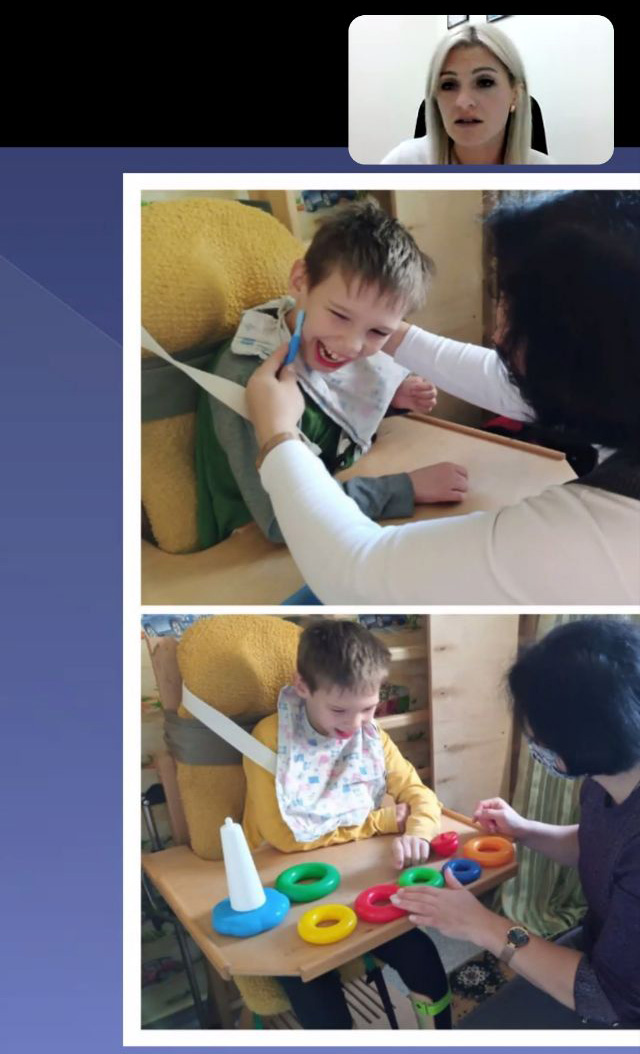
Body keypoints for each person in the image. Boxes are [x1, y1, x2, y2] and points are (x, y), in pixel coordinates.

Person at [245, 190, 640, 603]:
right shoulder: (618, 379)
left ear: (584, 347)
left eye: (513, 310)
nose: (497, 334)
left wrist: (278, 435)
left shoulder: (597, 537)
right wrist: (370, 319)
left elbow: (353, 573)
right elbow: (509, 382)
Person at [391, 618, 640, 1029]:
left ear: (583, 741)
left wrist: (481, 925)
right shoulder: (608, 778)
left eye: (536, 738)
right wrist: (524, 829)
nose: (533, 744)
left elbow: (607, 998)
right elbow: (599, 844)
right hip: (603, 948)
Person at [195, 201, 468, 548]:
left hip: (334, 489)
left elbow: (327, 416)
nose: (352, 345)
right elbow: (283, 519)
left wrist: (388, 401)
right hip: (249, 543)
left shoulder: (318, 338)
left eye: (378, 332)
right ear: (300, 281)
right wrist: (407, 488)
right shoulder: (247, 378)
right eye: (340, 315)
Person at [242, 619, 452, 1030]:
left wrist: (418, 831)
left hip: (353, 880)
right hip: (283, 889)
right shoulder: (268, 740)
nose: (355, 724)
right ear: (303, 686)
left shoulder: (370, 734)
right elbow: (284, 837)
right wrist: (380, 822)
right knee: (319, 997)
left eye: (368, 708)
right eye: (339, 710)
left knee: (423, 958)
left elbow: (420, 795)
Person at [382, 23, 553, 165]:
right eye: (448, 85)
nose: (463, 102)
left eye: (485, 82)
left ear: (515, 94)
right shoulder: (403, 162)